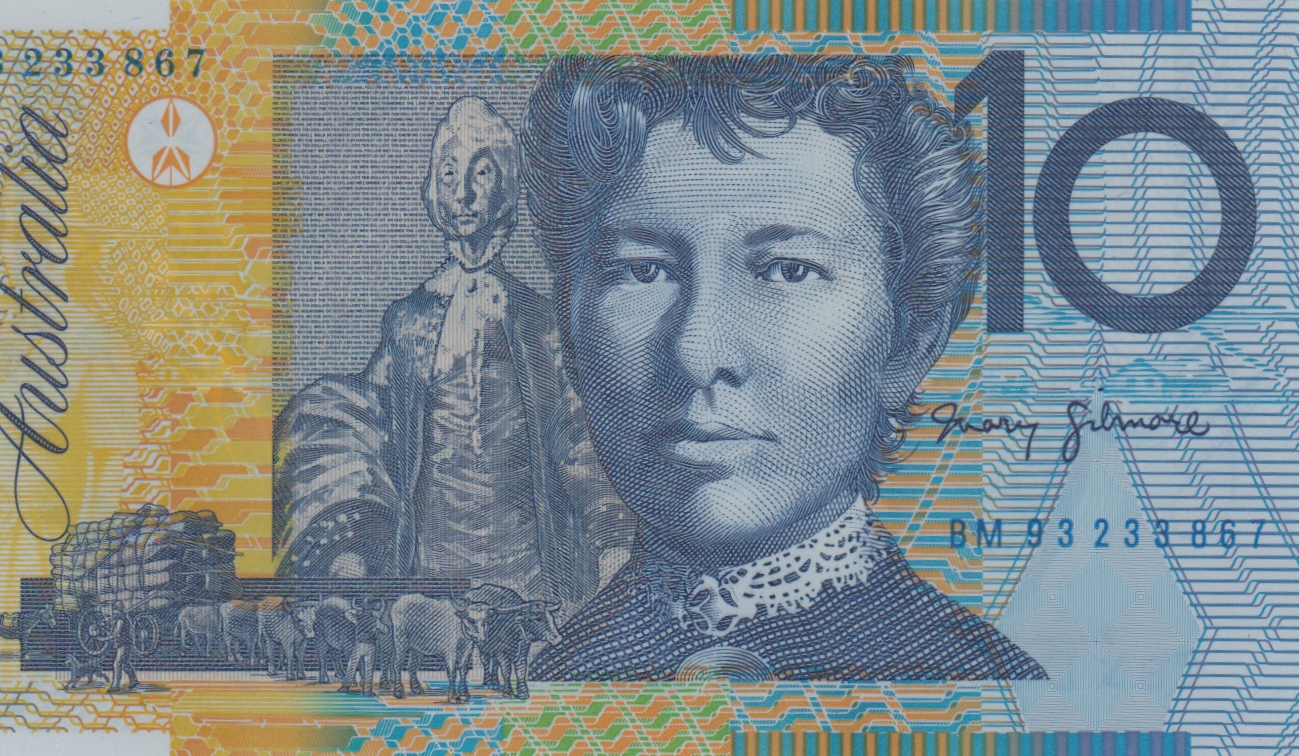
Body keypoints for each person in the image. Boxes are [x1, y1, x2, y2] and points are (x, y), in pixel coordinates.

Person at [522, 56, 1046, 682]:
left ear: (908, 343)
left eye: (788, 270)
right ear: (570, 333)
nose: (697, 352)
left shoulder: (983, 684)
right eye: (643, 270)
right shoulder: (543, 682)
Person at [272, 96, 634, 620]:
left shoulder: (540, 321)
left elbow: (580, 442)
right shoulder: (407, 321)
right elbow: (368, 429)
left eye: (481, 173)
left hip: (530, 577)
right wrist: (348, 545)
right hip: (428, 580)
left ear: (507, 185)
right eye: (448, 174)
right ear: (433, 189)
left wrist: (612, 544)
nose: (462, 192)